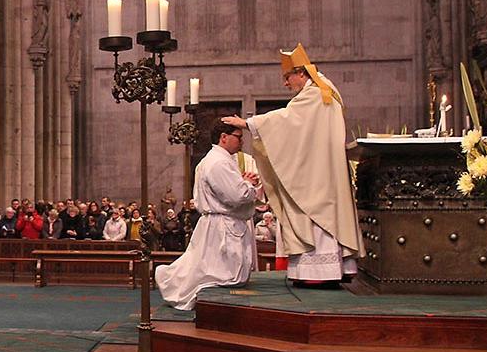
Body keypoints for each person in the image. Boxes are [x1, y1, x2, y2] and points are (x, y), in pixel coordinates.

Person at [221, 43, 362, 286]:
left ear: (301, 73)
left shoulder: (316, 94)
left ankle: (321, 273)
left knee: (312, 207)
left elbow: (287, 120)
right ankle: (328, 269)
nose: (286, 84)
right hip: (320, 165)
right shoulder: (325, 90)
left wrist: (249, 124)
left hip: (317, 171)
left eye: (287, 77)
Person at [155, 123, 262, 311]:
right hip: (222, 224)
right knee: (216, 273)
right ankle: (172, 282)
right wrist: (249, 184)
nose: (241, 141)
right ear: (223, 137)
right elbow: (236, 196)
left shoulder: (217, 159)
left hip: (219, 223)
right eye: (238, 136)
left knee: (204, 266)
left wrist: (243, 182)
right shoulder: (218, 162)